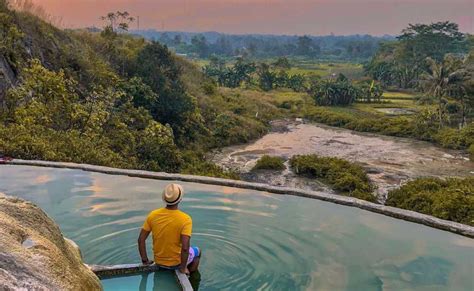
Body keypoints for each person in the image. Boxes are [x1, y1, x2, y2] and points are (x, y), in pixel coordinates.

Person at [137, 183, 201, 275]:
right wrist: (182, 268)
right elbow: (185, 248)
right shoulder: (186, 219)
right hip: (176, 264)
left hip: (158, 262)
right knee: (198, 252)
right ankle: (190, 276)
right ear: (180, 199)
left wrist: (145, 261)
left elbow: (140, 240)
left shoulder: (153, 215)